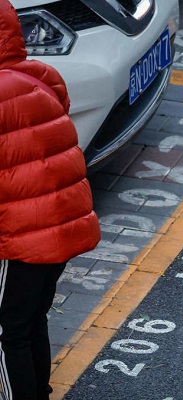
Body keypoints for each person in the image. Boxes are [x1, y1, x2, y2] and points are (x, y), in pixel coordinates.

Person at [0, 1, 102, 398]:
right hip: (61, 226)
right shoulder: (37, 75)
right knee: (30, 319)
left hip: (21, 236)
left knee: (7, 331)